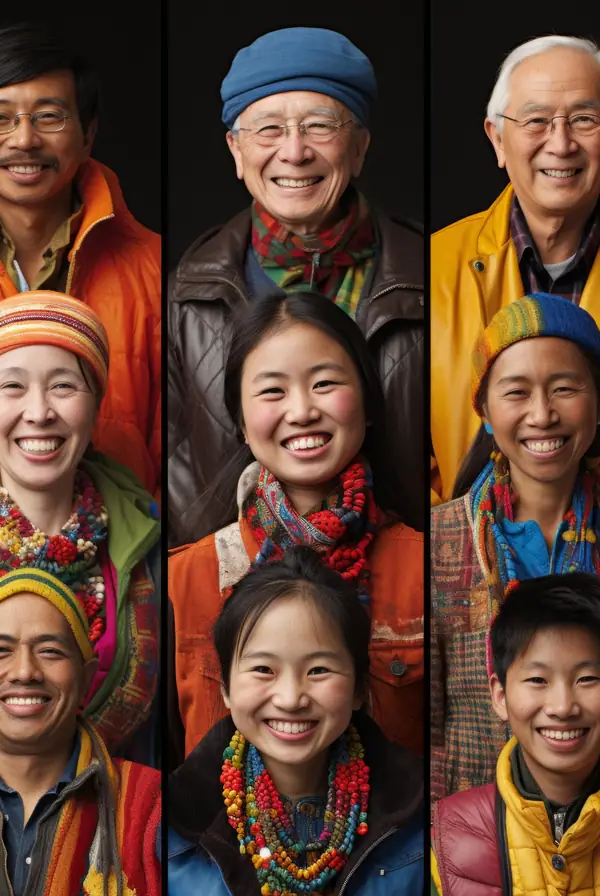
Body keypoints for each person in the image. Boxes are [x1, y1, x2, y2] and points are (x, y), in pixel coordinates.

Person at [168, 548, 423, 896]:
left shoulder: (411, 829)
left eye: (319, 669)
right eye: (263, 668)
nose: (290, 696)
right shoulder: (182, 831)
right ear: (225, 683)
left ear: (356, 687)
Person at [168, 25, 424, 544]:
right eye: (267, 130)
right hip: (231, 585)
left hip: (397, 578)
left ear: (359, 148)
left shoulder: (429, 275)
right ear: (236, 152)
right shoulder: (187, 293)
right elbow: (172, 460)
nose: (294, 152)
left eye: (319, 126)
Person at [169, 292, 423, 764]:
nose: (302, 410)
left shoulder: (425, 568)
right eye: (272, 390)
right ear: (241, 422)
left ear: (367, 403)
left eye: (325, 383)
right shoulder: (185, 580)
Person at [431, 293, 600, 800]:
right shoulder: (438, 541)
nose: (542, 414)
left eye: (565, 388)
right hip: (477, 841)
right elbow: (429, 725)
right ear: (483, 411)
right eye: (516, 393)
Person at [431, 573, 600, 896]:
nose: (564, 706)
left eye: (588, 679)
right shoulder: (450, 843)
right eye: (537, 680)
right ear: (500, 695)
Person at [0, 569, 161, 896]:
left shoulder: (152, 808)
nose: (24, 671)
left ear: (88, 674)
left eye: (50, 651)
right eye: (1, 649)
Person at [431, 34, 600, 506]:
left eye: (584, 119)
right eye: (536, 121)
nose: (561, 143)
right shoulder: (431, 267)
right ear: (497, 138)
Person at [0, 23, 161, 495]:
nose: (24, 140)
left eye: (49, 117)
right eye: (2, 118)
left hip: (126, 551)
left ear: (88, 135)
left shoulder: (154, 268)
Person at [0, 291, 160, 763]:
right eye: (12, 387)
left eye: (63, 386)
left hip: (118, 814)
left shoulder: (146, 541)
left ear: (95, 406)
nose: (39, 412)